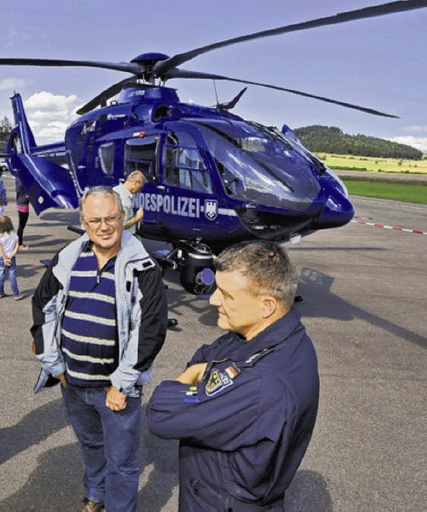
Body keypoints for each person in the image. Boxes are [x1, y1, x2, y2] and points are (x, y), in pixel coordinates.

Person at [147, 240, 320, 512]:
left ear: (266, 305)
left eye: (226, 295)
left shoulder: (260, 384)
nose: (213, 299)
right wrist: (203, 376)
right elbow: (206, 354)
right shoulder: (274, 335)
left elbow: (161, 414)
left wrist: (194, 374)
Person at [31, 186, 168, 512]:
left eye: (111, 218)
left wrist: (121, 384)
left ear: (123, 218)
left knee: (121, 460)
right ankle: (96, 495)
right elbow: (42, 307)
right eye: (95, 220)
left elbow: (150, 329)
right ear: (83, 221)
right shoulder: (67, 258)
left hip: (114, 390)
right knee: (91, 445)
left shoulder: (143, 267)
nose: (104, 227)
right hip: (73, 383)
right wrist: (56, 367)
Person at [0, 215, 24, 301]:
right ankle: (16, 294)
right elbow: (16, 247)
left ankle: (0, 293)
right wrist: (10, 256)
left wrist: (4, 258)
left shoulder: (0, 236)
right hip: (11, 258)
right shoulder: (14, 235)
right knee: (12, 276)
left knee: (1, 275)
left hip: (2, 258)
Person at [112, 170, 146, 235]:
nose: (139, 191)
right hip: (123, 239)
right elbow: (122, 226)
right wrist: (137, 217)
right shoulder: (125, 200)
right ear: (136, 183)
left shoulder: (116, 189)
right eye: (140, 188)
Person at [15, 175, 30, 250]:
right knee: (21, 226)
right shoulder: (22, 181)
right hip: (23, 205)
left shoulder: (18, 178)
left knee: (21, 226)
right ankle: (19, 244)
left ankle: (19, 243)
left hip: (22, 204)